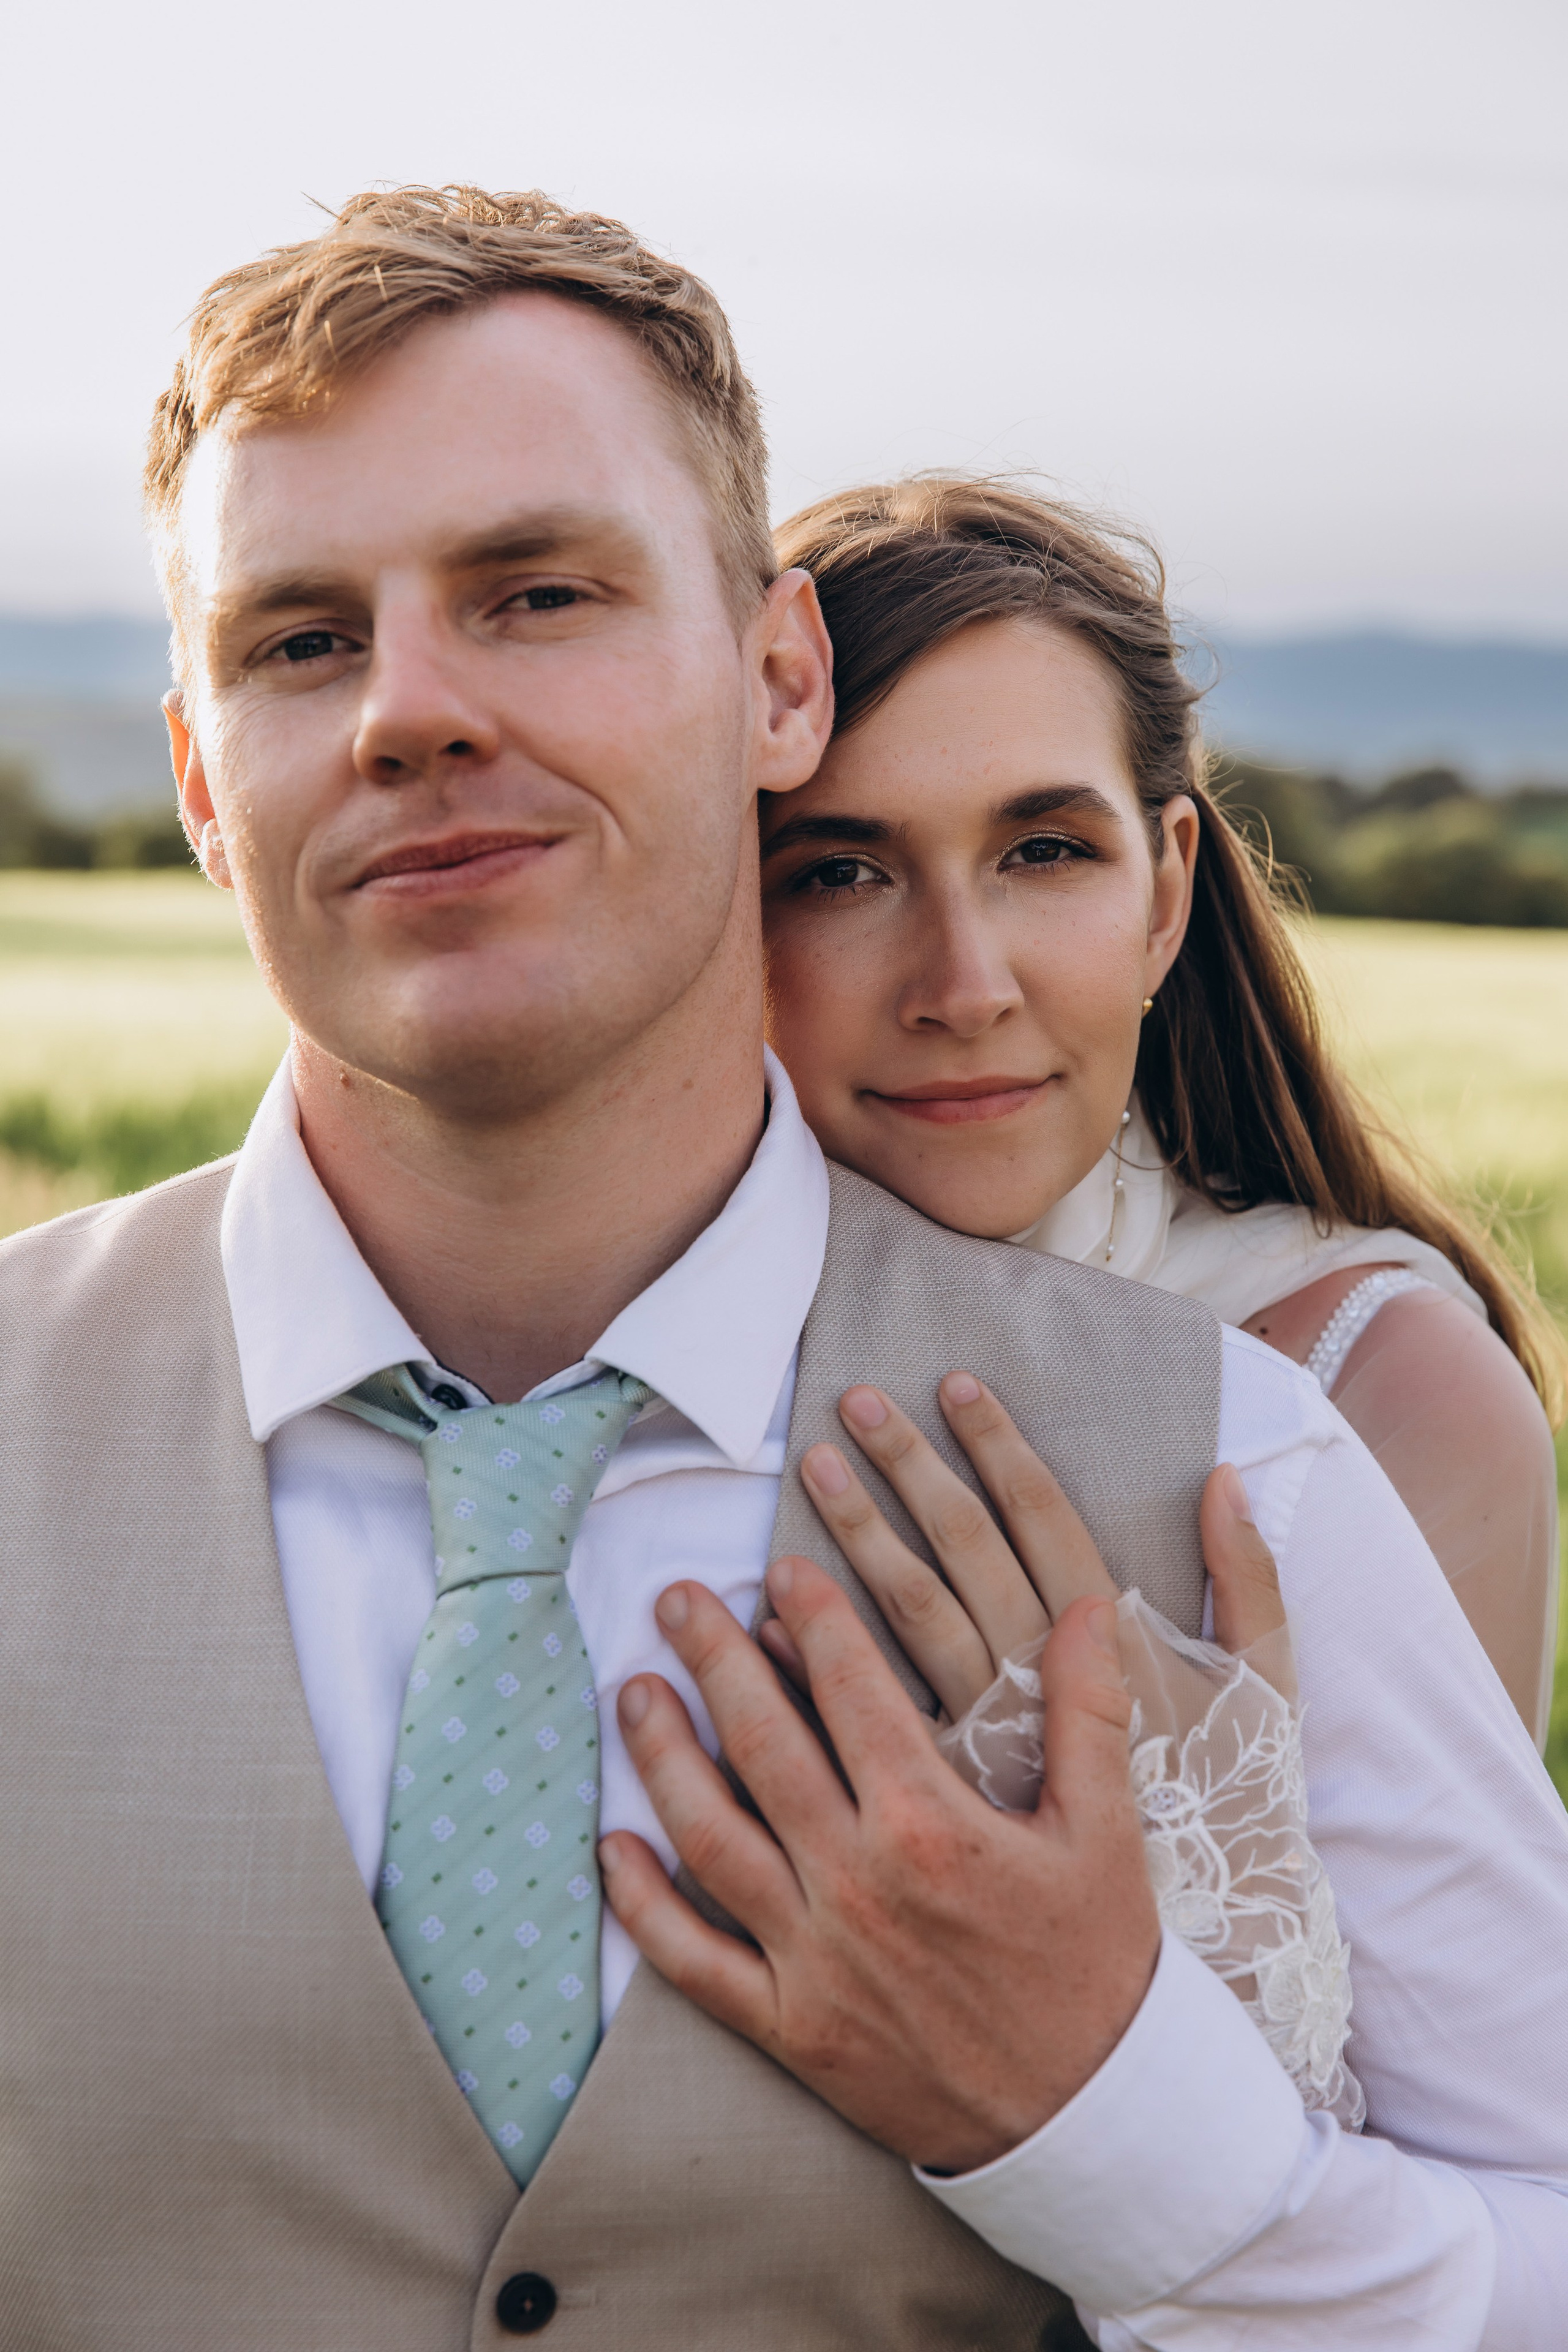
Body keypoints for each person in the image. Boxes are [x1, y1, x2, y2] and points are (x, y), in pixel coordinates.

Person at [0, 185, 1564, 2352]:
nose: (409, 711)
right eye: (297, 641)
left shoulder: (1239, 1459)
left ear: (776, 672)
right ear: (193, 773)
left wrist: (1116, 2111)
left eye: (537, 592)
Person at [763, 477, 1563, 1743]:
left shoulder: (1380, 1388)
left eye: (1042, 852)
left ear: (1162, 893)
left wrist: (1172, 1823)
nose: (964, 989)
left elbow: (1452, 1944)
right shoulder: (598, 1340)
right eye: (840, 873)